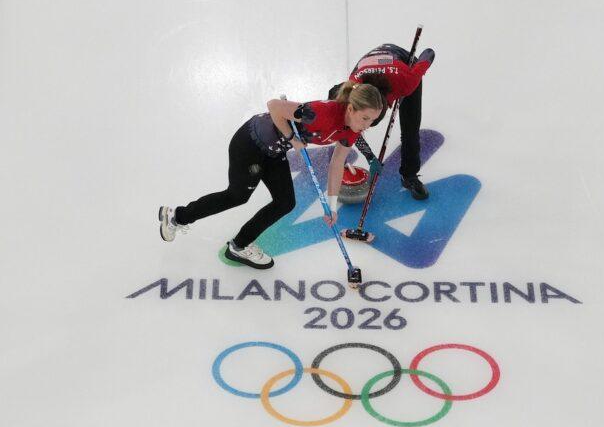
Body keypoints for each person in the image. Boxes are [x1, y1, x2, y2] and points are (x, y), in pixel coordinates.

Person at [158, 82, 383, 269]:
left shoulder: (352, 130)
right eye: (365, 118)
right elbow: (274, 106)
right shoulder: (321, 113)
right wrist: (292, 138)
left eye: (373, 120)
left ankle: (239, 246)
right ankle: (178, 216)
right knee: (236, 196)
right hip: (250, 142)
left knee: (285, 202)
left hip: (274, 152)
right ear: (351, 109)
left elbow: (337, 164)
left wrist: (332, 206)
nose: (368, 125)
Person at [329, 44, 435, 200]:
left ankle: (410, 176)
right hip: (370, 66)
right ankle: (339, 156)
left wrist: (419, 65)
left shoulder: (407, 82)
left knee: (410, 127)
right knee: (344, 118)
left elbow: (429, 52)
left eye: (370, 120)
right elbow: (352, 127)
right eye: (365, 119)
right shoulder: (352, 90)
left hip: (404, 65)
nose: (364, 127)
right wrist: (370, 156)